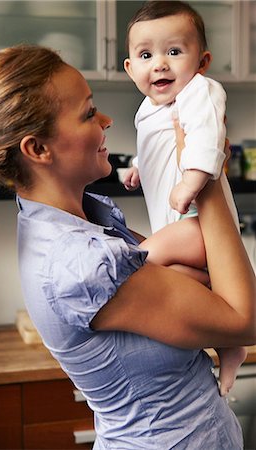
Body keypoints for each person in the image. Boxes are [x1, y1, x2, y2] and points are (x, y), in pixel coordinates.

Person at [0, 45, 255, 450]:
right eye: (87, 113)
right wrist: (204, 167)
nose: (106, 120)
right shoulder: (80, 263)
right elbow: (243, 319)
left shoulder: (82, 220)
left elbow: (201, 280)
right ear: (37, 150)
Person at [123, 0, 247, 396]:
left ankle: (232, 335)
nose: (159, 64)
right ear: (130, 67)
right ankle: (230, 342)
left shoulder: (201, 91)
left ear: (202, 60)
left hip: (196, 215)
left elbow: (208, 136)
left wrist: (192, 179)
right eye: (146, 55)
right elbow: (159, 139)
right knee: (195, 285)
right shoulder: (147, 108)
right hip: (171, 215)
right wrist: (139, 166)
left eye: (174, 52)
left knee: (145, 262)